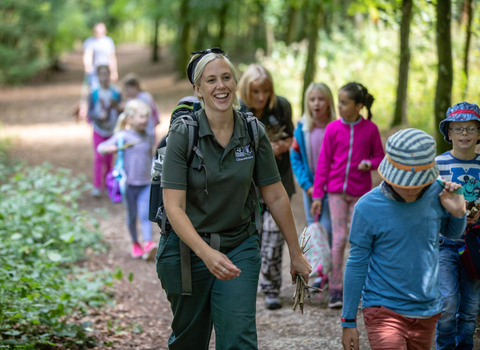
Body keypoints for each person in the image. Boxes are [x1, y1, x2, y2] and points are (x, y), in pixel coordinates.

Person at [156, 48, 311, 349]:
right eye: (211, 80)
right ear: (198, 89)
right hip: (187, 251)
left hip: (239, 246)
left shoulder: (253, 132)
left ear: (235, 83)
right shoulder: (182, 134)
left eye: (226, 77)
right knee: (190, 340)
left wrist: (295, 251)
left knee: (238, 339)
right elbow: (173, 208)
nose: (221, 86)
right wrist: (206, 254)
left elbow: (276, 195)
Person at [341, 128, 467, 350]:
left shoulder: (438, 193)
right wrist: (348, 320)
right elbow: (356, 264)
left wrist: (458, 213)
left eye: (418, 181)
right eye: (405, 182)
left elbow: (452, 234)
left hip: (427, 310)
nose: (412, 188)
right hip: (383, 308)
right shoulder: (367, 207)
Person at [311, 82, 384, 308]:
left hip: (360, 195)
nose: (339, 106)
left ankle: (361, 288)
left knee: (358, 240)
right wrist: (317, 195)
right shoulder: (333, 129)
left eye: (344, 103)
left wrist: (368, 163)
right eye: (339, 102)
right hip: (335, 194)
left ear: (359, 105)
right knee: (339, 239)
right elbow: (323, 163)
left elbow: (380, 158)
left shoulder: (370, 129)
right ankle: (335, 289)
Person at [238, 64, 296, 310]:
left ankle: (272, 287)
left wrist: (281, 146)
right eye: (256, 92)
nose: (261, 97)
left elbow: (292, 137)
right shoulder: (237, 111)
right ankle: (248, 286)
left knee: (275, 238)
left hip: (279, 183)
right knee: (254, 240)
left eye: (265, 91)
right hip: (248, 189)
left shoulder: (281, 106)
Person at [435, 101, 480, 350]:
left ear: (479, 133)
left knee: (471, 306)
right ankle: (444, 346)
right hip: (445, 243)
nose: (465, 134)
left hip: (476, 244)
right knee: (447, 303)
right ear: (449, 133)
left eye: (471, 128)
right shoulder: (437, 164)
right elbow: (429, 202)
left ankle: (465, 346)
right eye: (459, 128)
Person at [97, 99, 157, 260]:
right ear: (129, 119)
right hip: (128, 185)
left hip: (146, 183)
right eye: (141, 117)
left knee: (145, 215)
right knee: (132, 215)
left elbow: (151, 156)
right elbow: (100, 148)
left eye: (146, 117)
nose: (145, 120)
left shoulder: (149, 136)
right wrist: (107, 149)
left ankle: (148, 243)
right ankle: (135, 243)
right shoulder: (122, 136)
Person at [87, 65, 122, 197]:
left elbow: (121, 110)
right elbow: (90, 112)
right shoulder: (93, 93)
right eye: (101, 74)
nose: (104, 77)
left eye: (106, 74)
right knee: (98, 157)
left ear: (109, 75)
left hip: (112, 130)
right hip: (98, 129)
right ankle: (97, 186)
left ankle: (109, 185)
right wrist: (97, 116)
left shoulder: (116, 92)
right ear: (97, 76)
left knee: (109, 158)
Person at [121, 73, 160, 139]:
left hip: (149, 129)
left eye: (128, 89)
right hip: (136, 132)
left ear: (135, 87)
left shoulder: (146, 97)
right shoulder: (129, 101)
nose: (127, 92)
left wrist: (156, 121)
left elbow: (154, 110)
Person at [83, 23, 118, 90]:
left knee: (107, 87)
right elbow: (88, 55)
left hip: (106, 68)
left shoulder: (108, 41)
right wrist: (88, 66)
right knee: (94, 88)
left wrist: (114, 71)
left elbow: (112, 56)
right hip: (94, 69)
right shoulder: (89, 41)